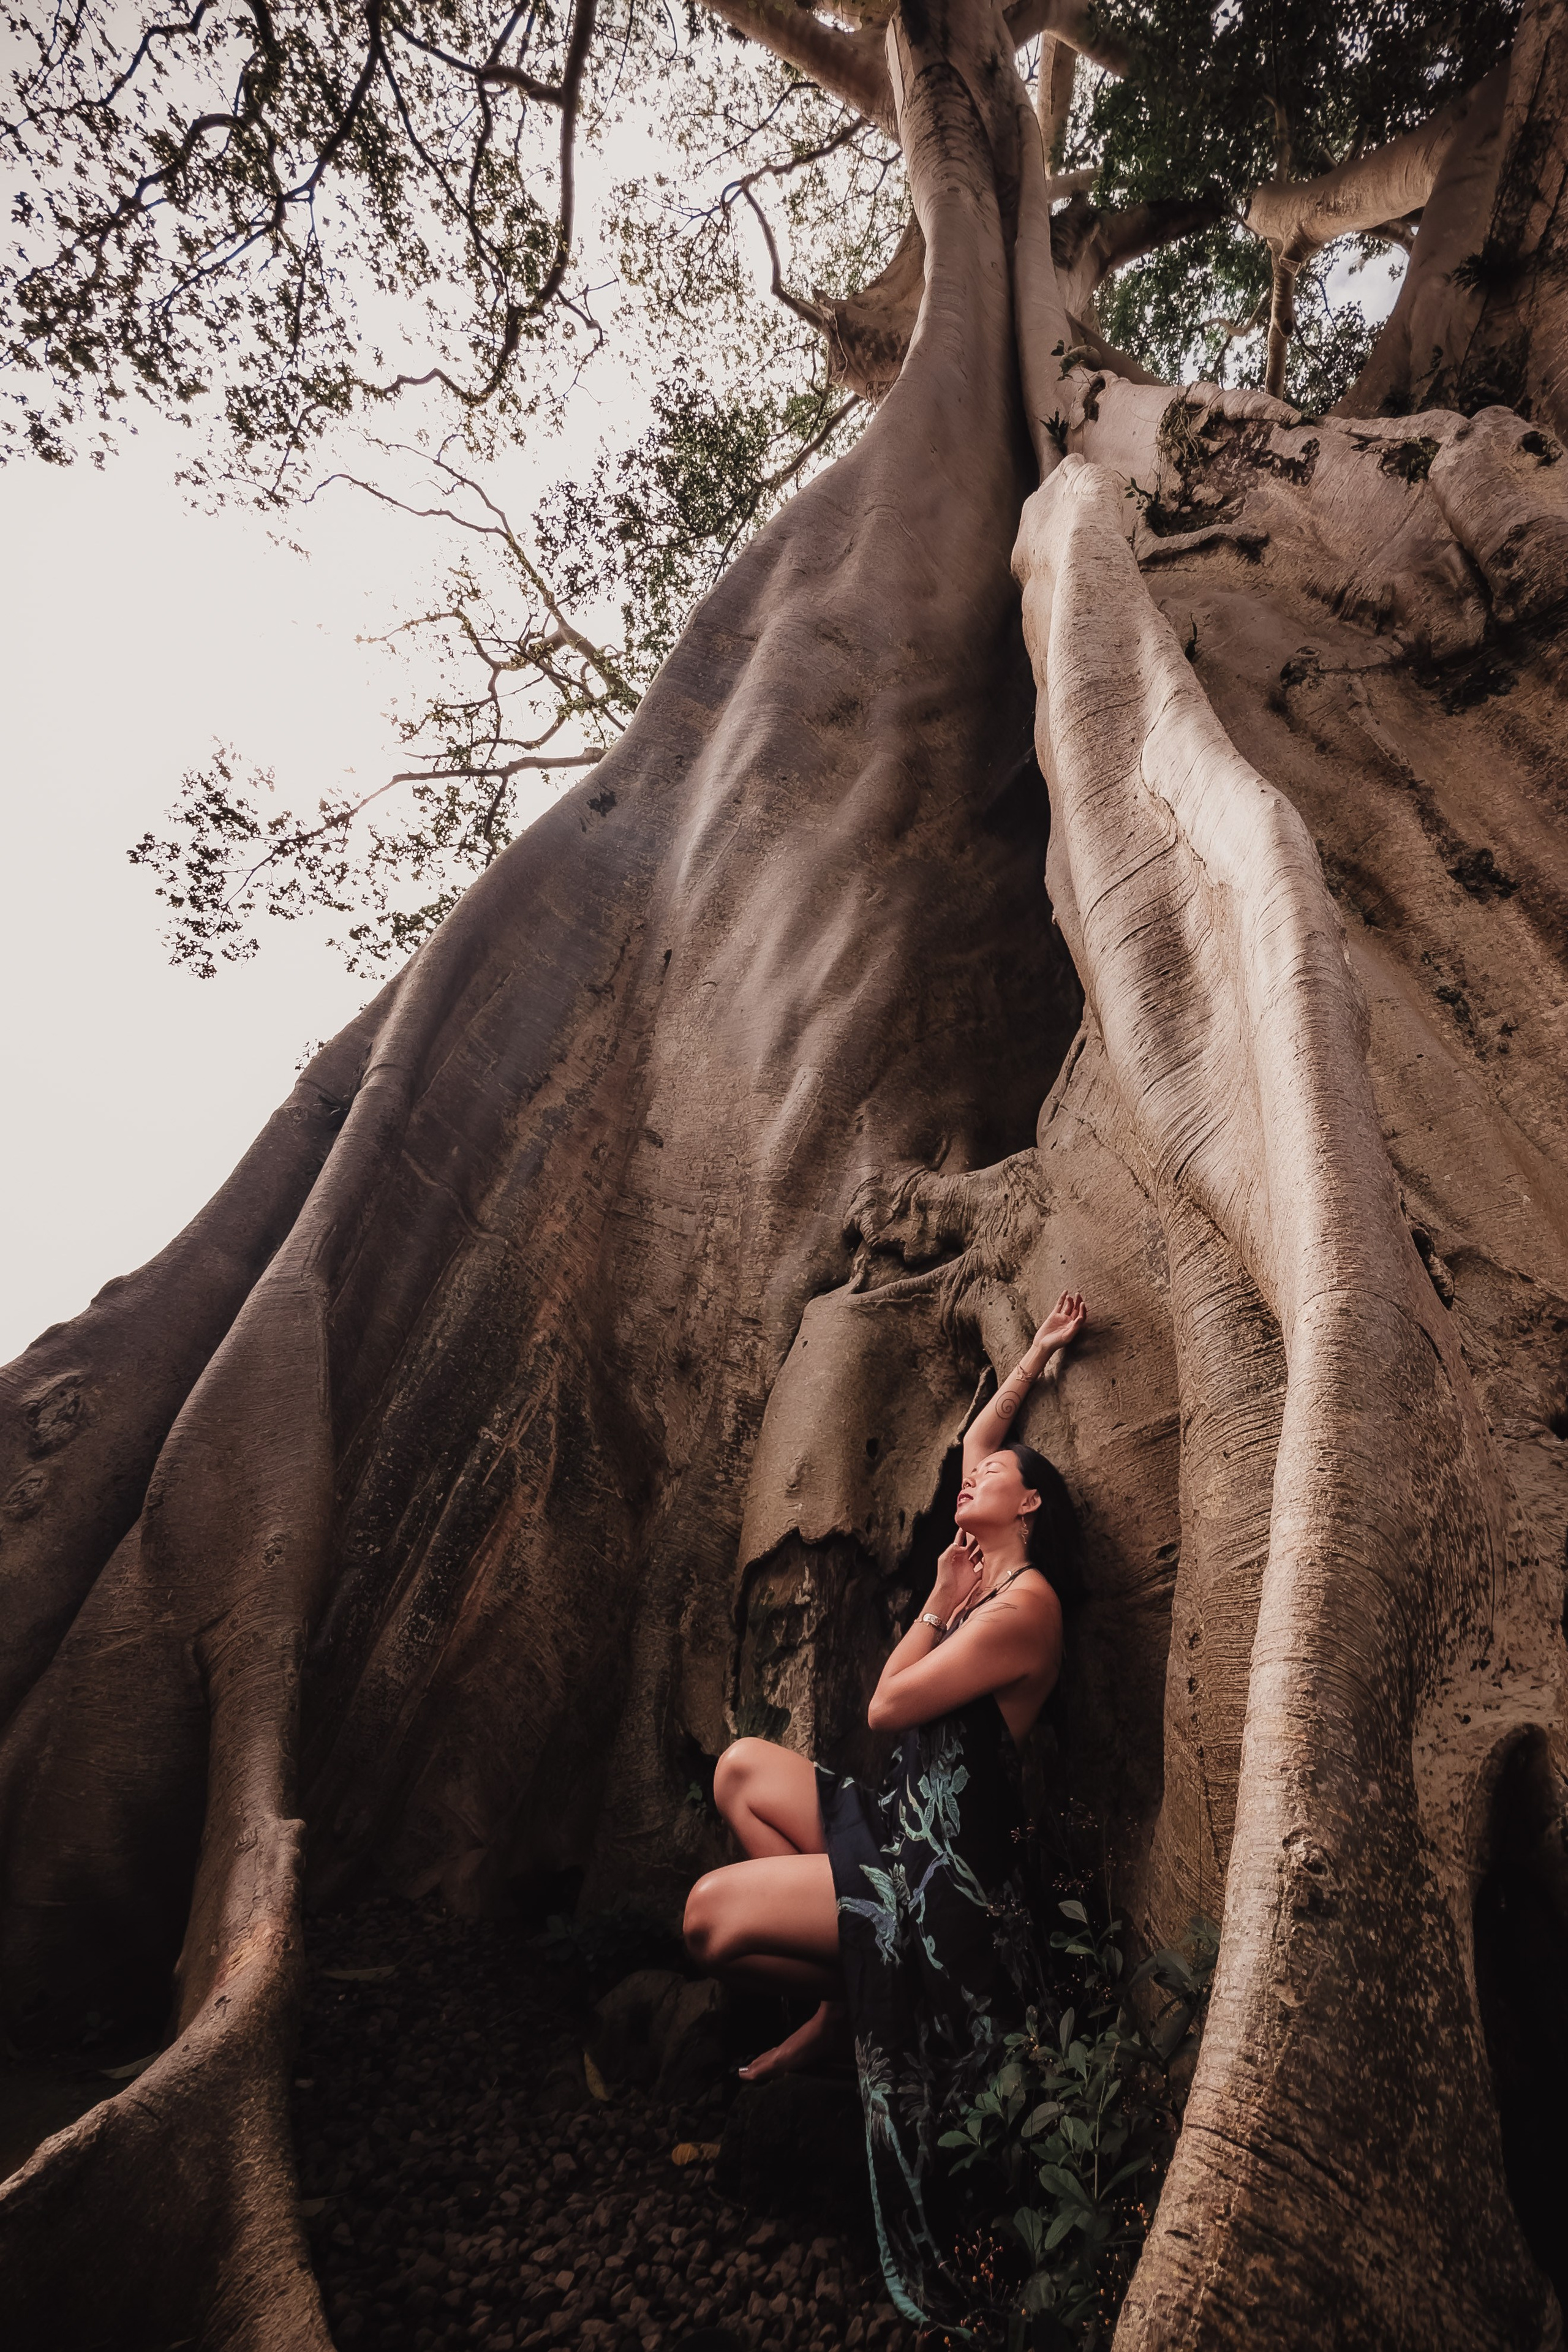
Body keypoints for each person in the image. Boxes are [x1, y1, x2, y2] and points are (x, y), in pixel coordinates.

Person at [682, 1291, 1087, 2328]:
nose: (976, 1473)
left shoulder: (1024, 1606)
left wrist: (936, 1608)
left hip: (938, 1884)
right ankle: (842, 2001)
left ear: (1028, 1508)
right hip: (899, 1817)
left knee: (708, 1917)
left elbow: (887, 1703)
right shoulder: (992, 1568)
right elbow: (986, 1438)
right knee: (739, 1770)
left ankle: (856, 1996)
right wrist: (1037, 1354)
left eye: (994, 1481)